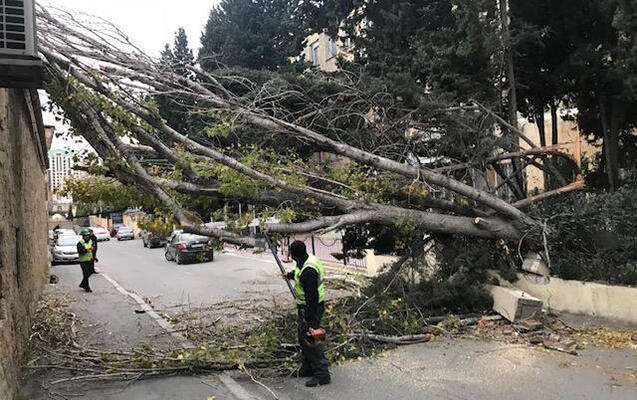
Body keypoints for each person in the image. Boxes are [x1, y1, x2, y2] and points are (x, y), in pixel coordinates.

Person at [284, 241, 331, 387]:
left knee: (312, 340)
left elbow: (312, 297)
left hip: (312, 308)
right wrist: (290, 275)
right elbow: (299, 272)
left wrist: (309, 318)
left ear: (295, 255)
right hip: (307, 306)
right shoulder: (306, 260)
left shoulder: (308, 272)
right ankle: (307, 367)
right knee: (303, 338)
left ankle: (322, 374)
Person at [77, 228, 95, 293]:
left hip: (89, 260)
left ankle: (82, 283)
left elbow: (92, 250)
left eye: (88, 235)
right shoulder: (80, 243)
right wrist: (87, 249)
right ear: (83, 236)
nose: (87, 237)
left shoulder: (90, 241)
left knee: (90, 272)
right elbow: (80, 252)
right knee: (85, 274)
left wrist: (94, 257)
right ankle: (87, 287)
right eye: (85, 236)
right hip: (83, 261)